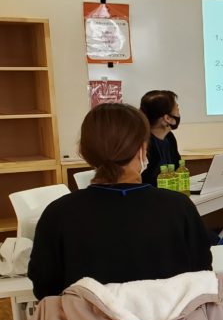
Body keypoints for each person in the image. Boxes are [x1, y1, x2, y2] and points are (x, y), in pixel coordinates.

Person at [27, 103, 212, 300]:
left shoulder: (58, 213)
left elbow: (44, 289)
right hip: (170, 319)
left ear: (84, 151)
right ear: (142, 150)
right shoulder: (178, 207)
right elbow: (202, 274)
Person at [139, 90, 182, 186]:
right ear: (167, 118)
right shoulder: (144, 143)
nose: (179, 113)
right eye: (177, 109)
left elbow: (178, 168)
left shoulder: (169, 137)